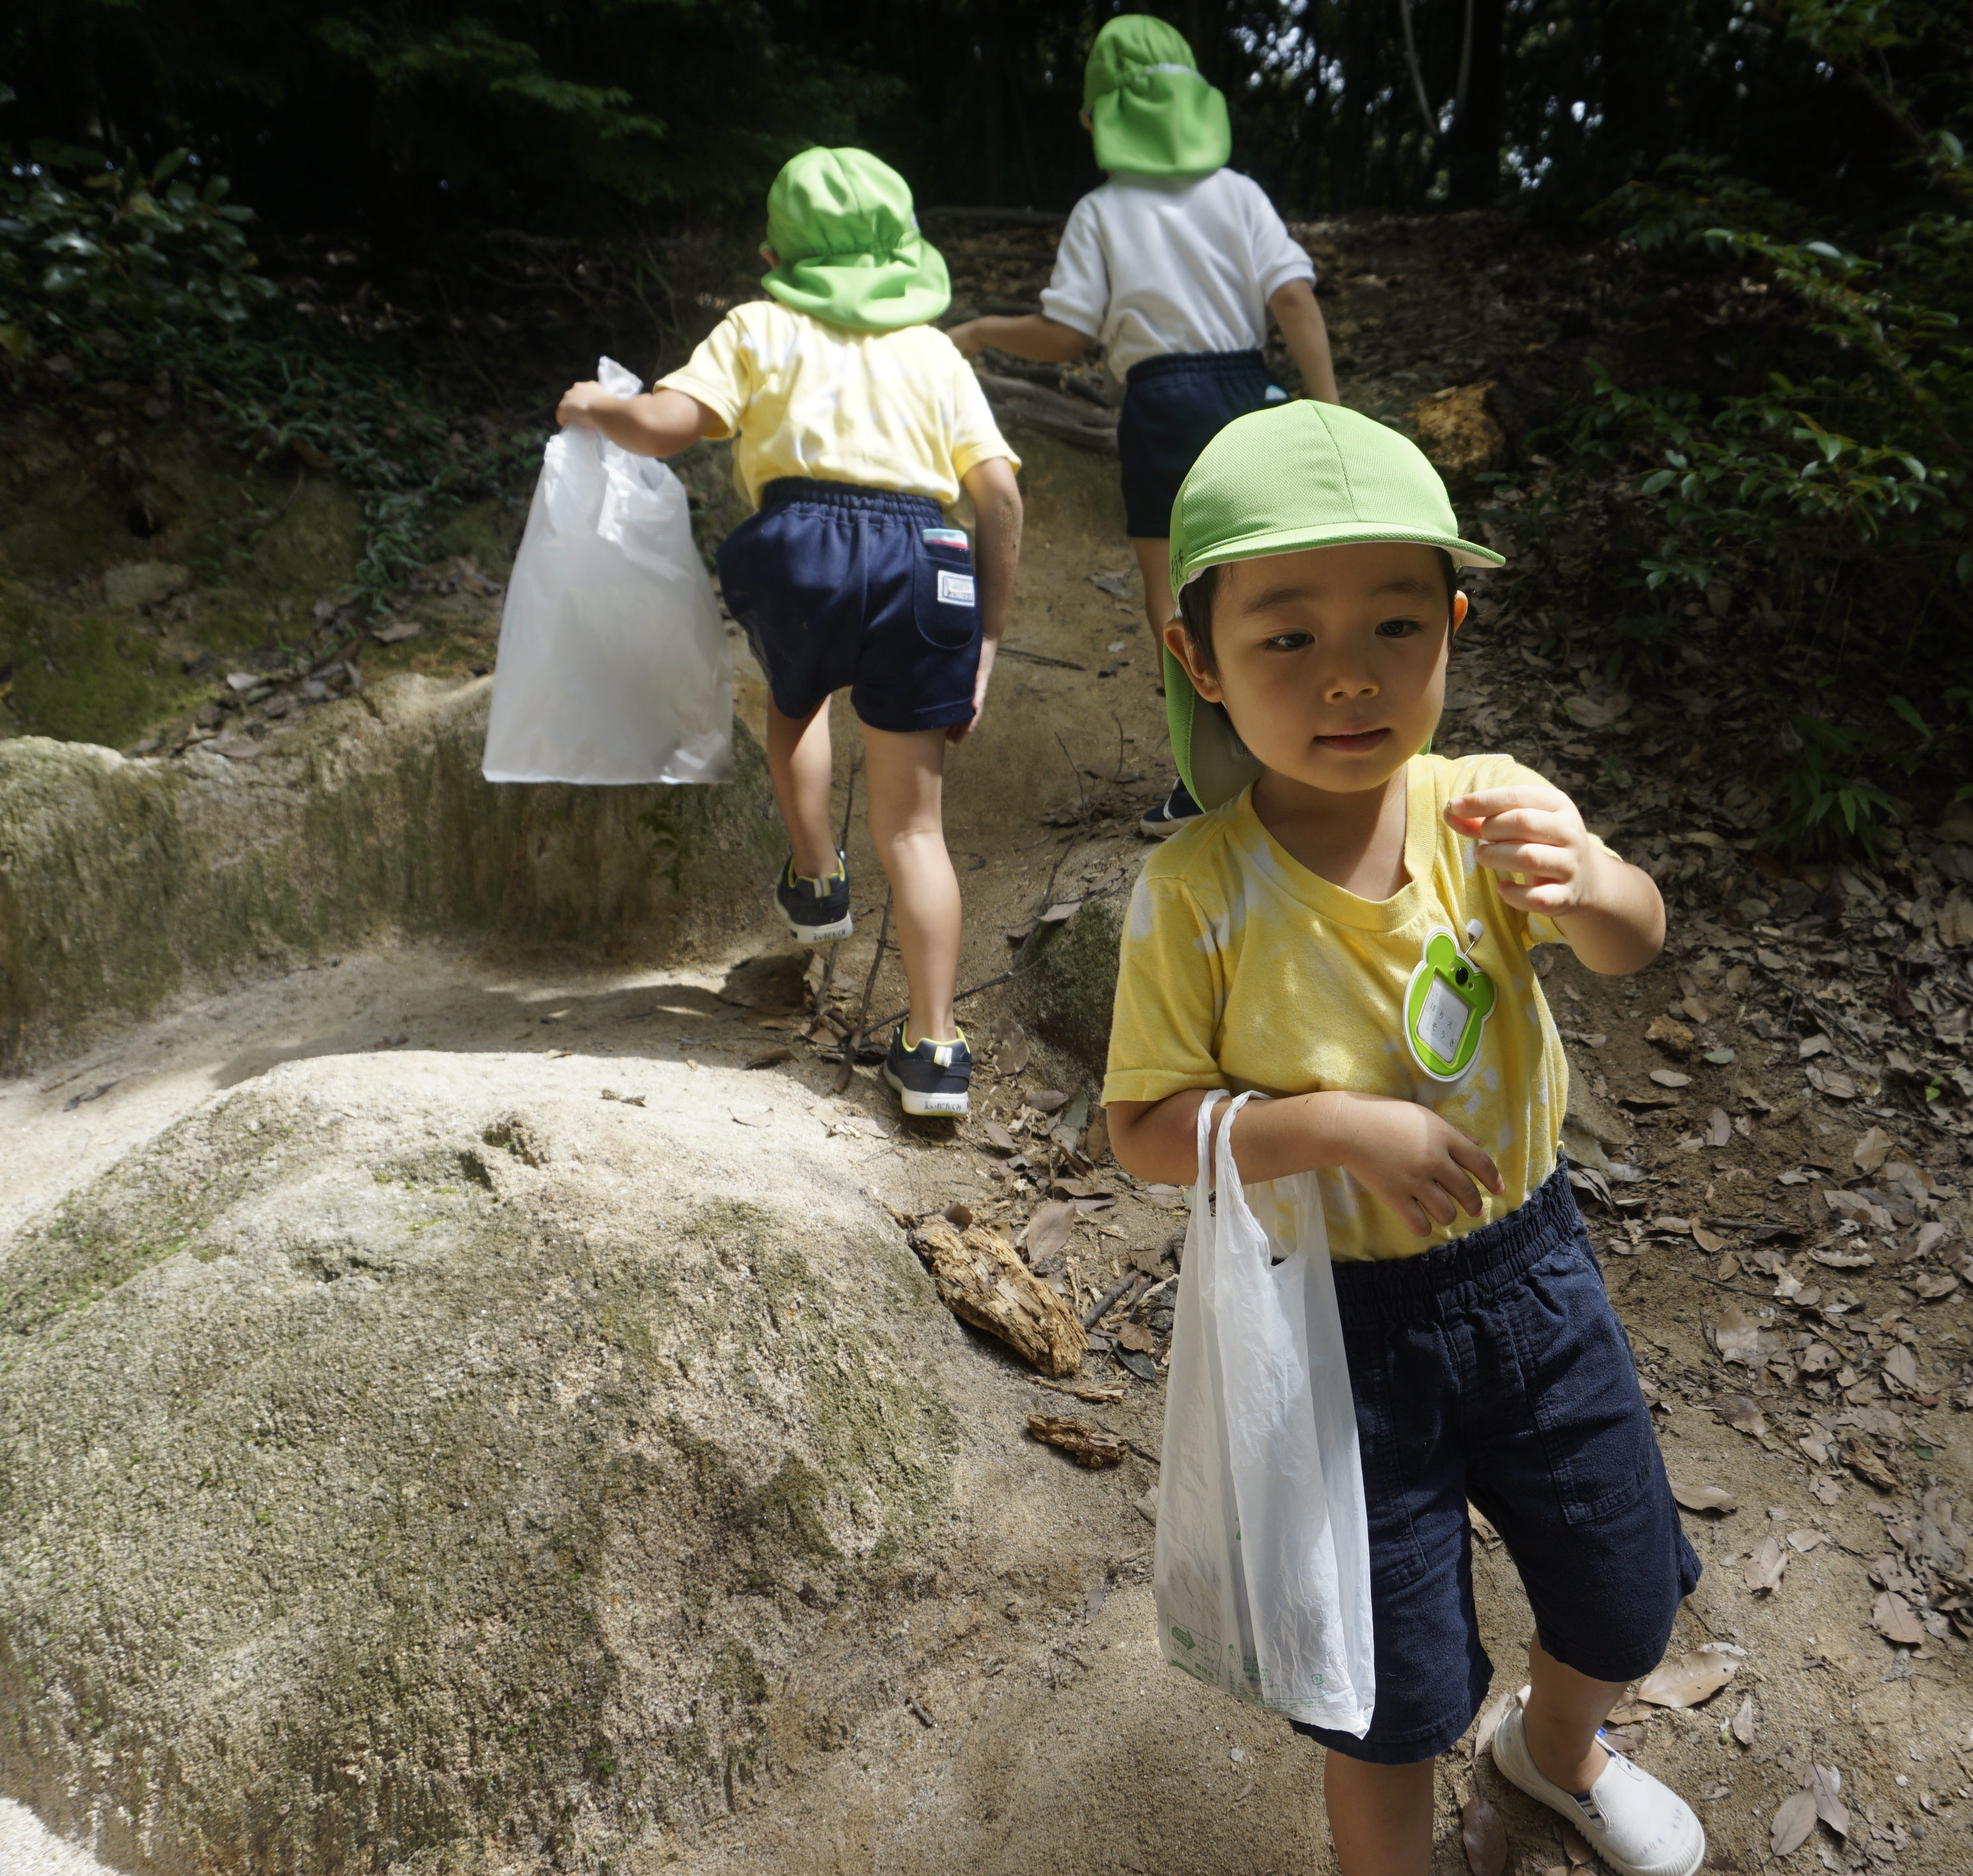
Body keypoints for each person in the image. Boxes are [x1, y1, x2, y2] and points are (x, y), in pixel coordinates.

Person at [1103, 401, 1704, 1876]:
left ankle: (1556, 1752)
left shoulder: (1480, 807)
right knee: (1381, 1693)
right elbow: (1143, 1131)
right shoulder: (1196, 891)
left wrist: (1594, 879)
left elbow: (1633, 941)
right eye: (1287, 636)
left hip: (1534, 1279)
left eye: (1394, 625)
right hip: (1337, 1333)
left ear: (1451, 625)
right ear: (1198, 655)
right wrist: (1323, 1128)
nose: (1349, 675)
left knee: (1622, 1585)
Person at [556, 146, 1021, 1120]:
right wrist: (985, 638)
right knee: (915, 829)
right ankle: (936, 1053)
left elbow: (668, 425)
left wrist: (596, 406)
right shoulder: (936, 353)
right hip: (926, 558)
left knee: (797, 700)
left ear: (776, 254)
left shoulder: (757, 326)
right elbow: (1000, 498)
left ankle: (816, 880)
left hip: (800, 547)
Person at [946, 13, 1336, 840]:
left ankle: (1208, 777)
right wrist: (1331, 411)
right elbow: (1293, 296)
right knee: (1277, 575)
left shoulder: (1101, 211)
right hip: (1250, 394)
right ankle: (1306, 752)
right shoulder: (1240, 193)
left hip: (1160, 407)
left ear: (1106, 118)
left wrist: (979, 332)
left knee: (1175, 595)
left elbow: (1067, 336)